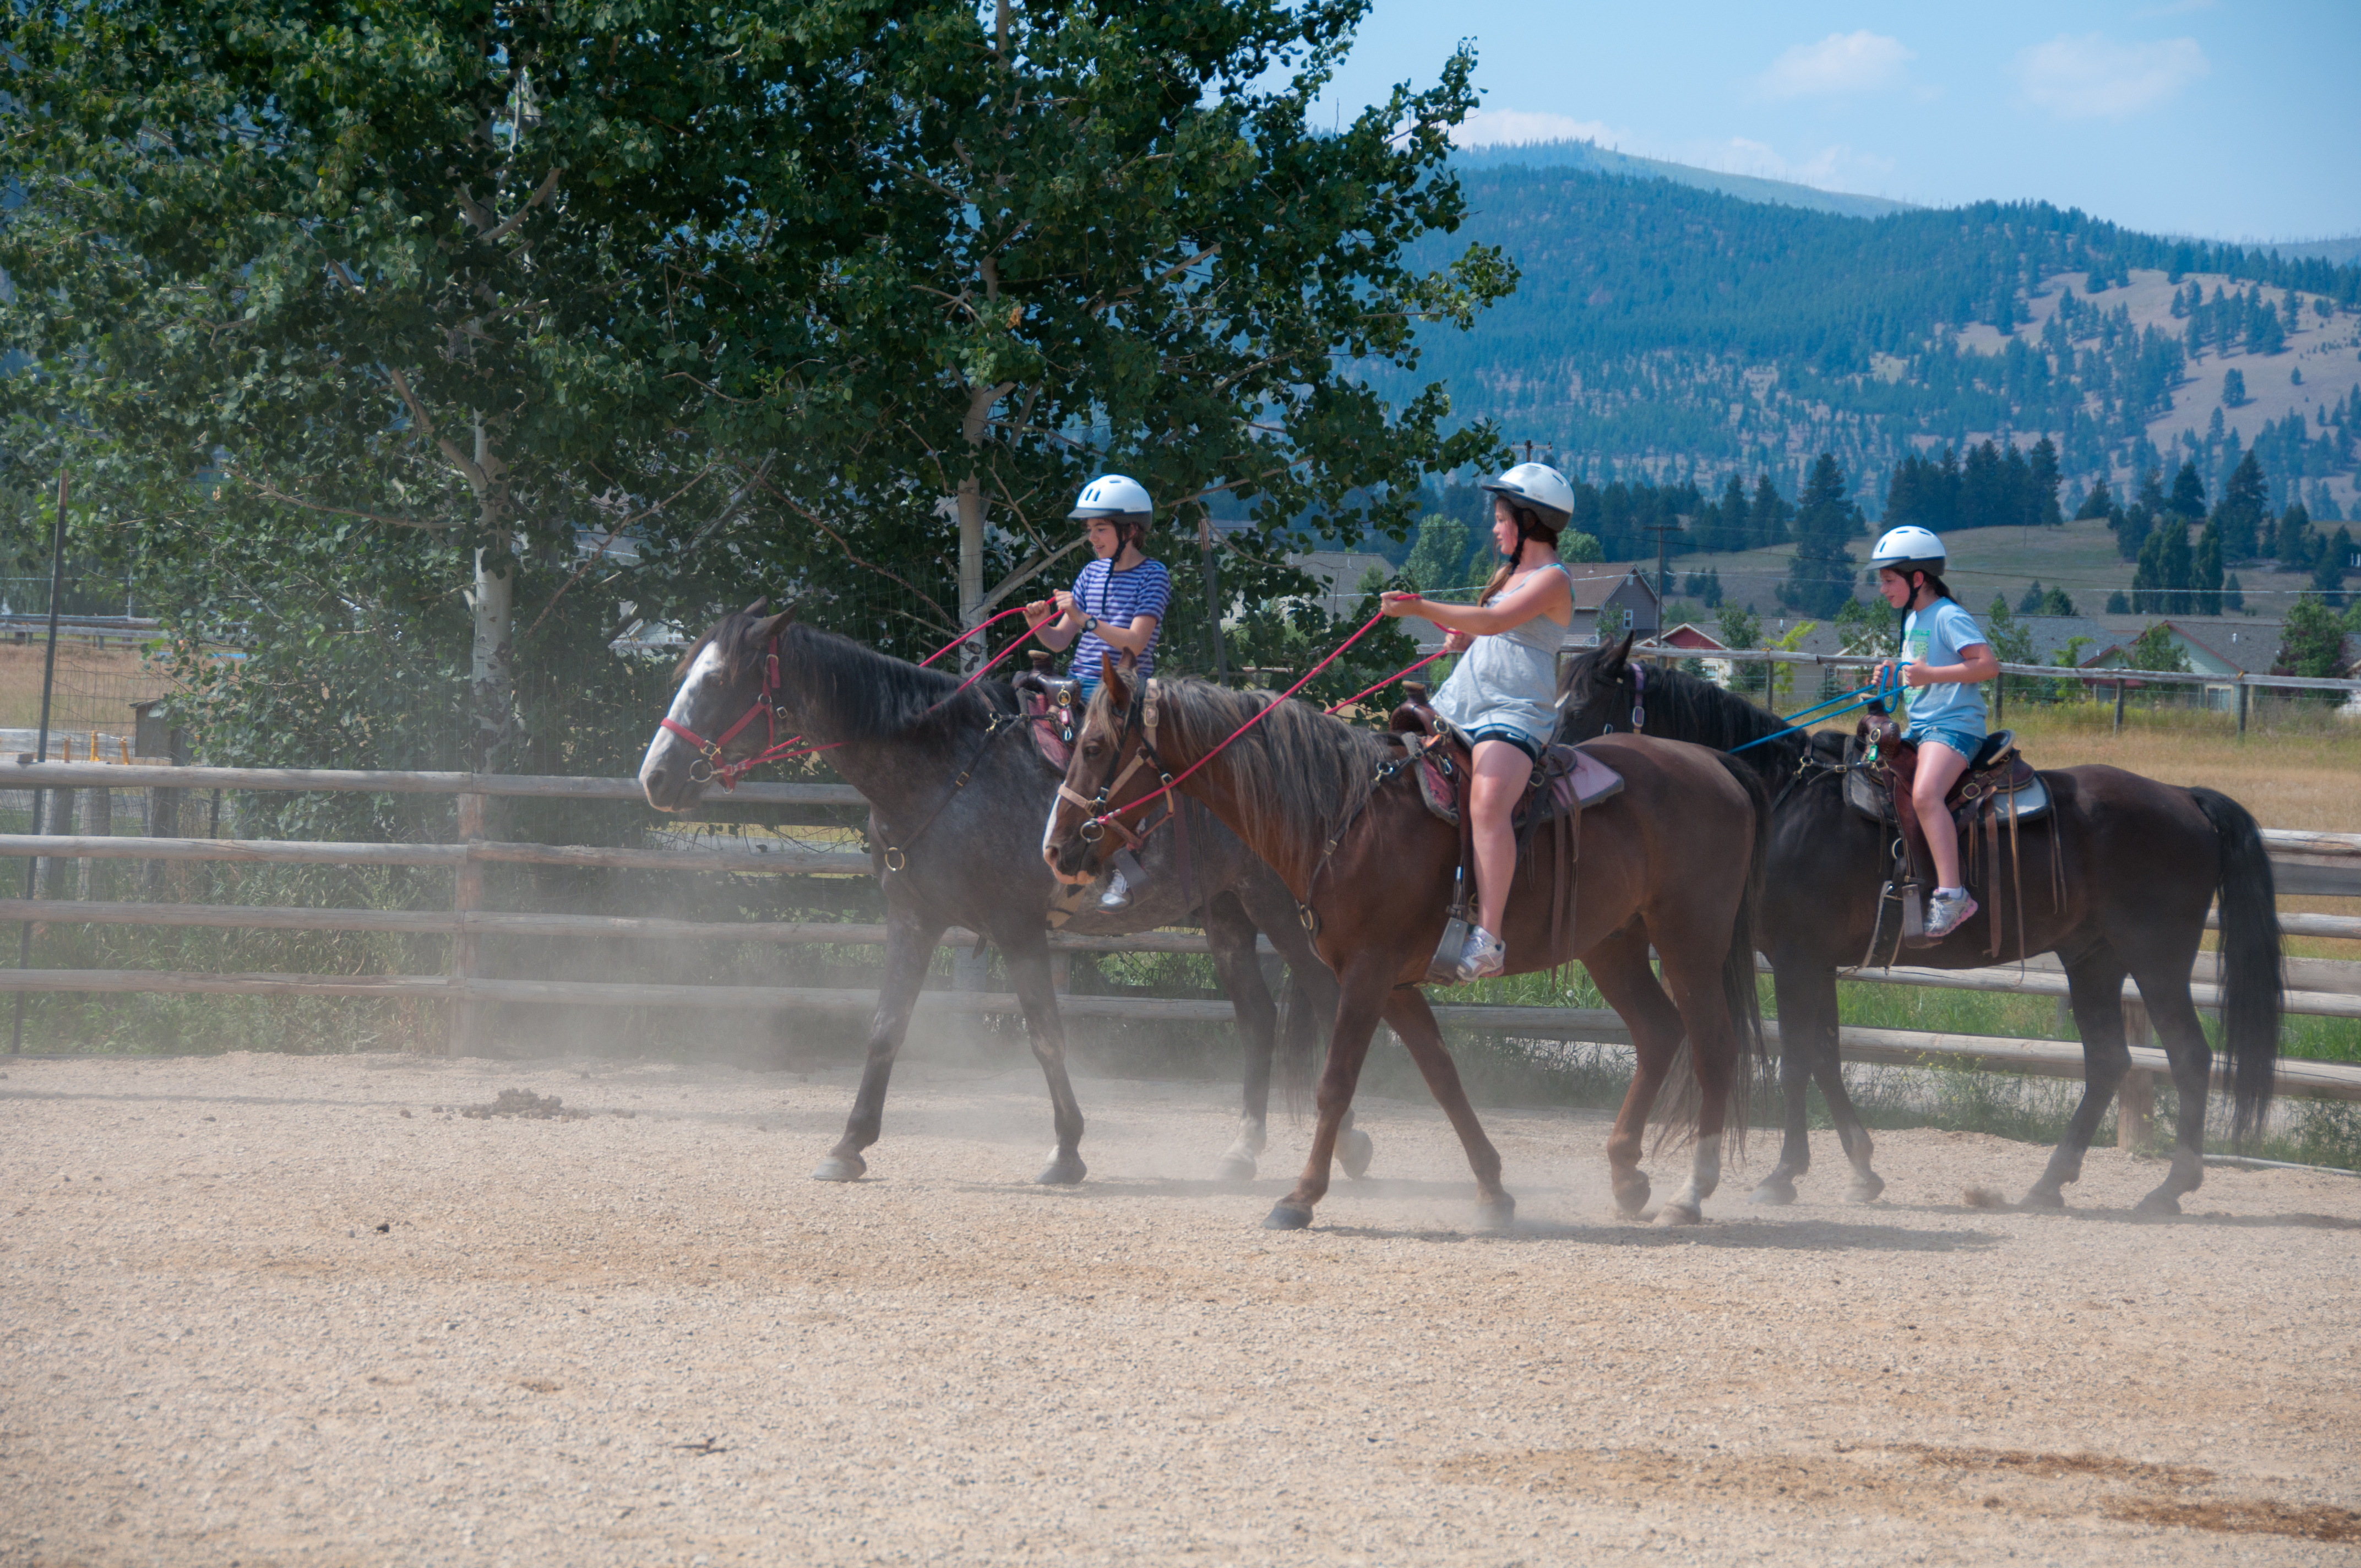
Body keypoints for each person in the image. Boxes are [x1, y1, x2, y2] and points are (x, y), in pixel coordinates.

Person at [1380, 462, 1576, 980]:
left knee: (1488, 801)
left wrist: (1422, 608)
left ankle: (1489, 938)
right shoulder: (1508, 576)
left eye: (1501, 517)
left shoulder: (1552, 578)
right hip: (1466, 702)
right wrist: (1462, 637)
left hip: (1514, 712)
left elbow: (1495, 620)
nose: (1494, 528)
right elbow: (1493, 630)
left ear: (1530, 521)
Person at [1029, 473, 1171, 908]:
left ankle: (1129, 871)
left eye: (1101, 529)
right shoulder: (1090, 573)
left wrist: (1087, 619)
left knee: (1116, 775)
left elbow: (1135, 642)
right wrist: (1039, 624)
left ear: (1130, 531)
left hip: (1123, 694)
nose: (1093, 538)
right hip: (1078, 688)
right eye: (1090, 531)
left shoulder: (1154, 575)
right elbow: (1058, 642)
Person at [1868, 525, 1999, 941]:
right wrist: (1894, 673)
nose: (1883, 589)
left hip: (1954, 728)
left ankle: (1953, 894)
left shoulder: (1948, 615)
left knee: (1925, 795)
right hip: (1924, 726)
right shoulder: (1916, 620)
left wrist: (1927, 674)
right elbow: (1920, 674)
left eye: (1889, 580)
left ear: (1917, 578)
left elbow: (1986, 665)